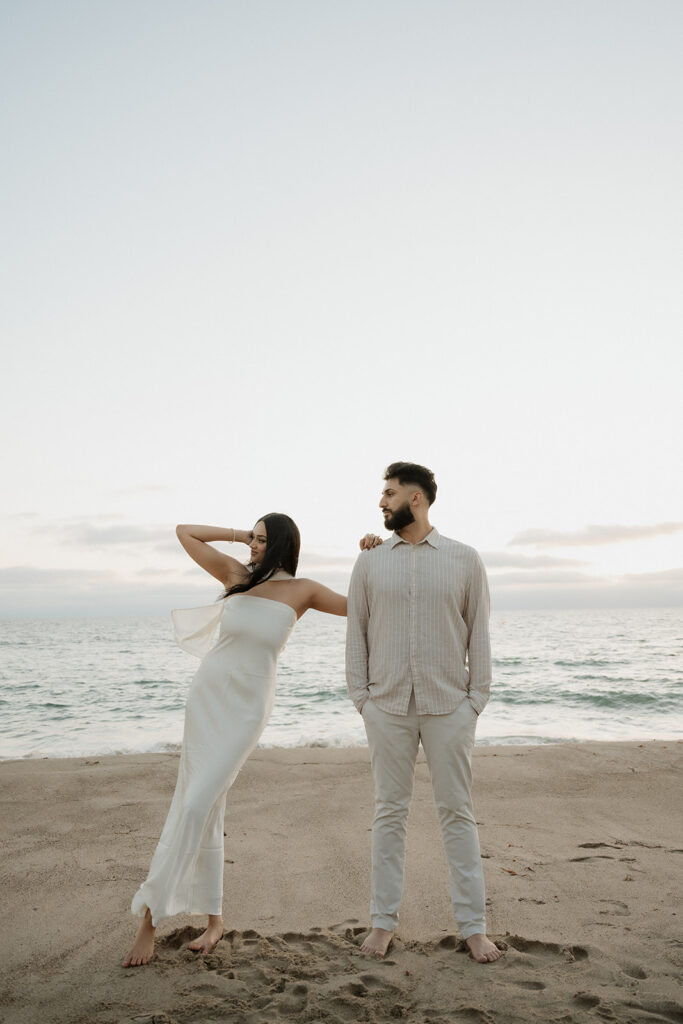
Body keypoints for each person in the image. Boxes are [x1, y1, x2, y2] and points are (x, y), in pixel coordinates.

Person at [123, 514, 353, 967]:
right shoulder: (237, 576)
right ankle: (209, 921)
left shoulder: (304, 589)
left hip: (248, 709)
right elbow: (183, 532)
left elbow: (361, 606)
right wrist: (237, 534)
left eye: (262, 540)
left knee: (196, 805)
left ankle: (152, 919)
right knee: (200, 806)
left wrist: (375, 553)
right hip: (208, 697)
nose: (253, 546)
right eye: (252, 538)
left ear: (282, 545)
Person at [347, 463, 503, 964]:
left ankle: (474, 927)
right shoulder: (369, 562)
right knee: (389, 814)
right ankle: (382, 923)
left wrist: (474, 701)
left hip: (448, 707)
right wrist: (363, 700)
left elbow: (479, 632)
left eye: (389, 493)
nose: (381, 502)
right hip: (387, 706)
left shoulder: (464, 559)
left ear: (416, 499)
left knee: (457, 815)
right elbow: (358, 633)